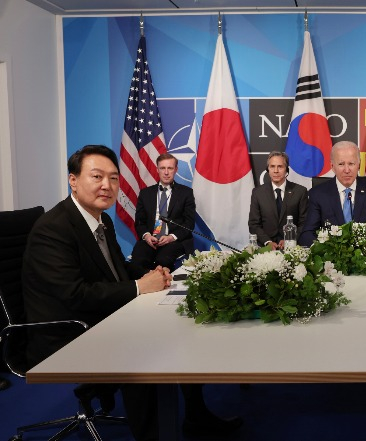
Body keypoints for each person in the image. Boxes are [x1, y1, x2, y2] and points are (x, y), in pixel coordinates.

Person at [22, 145, 241, 441]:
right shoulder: (53, 229)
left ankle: (195, 417)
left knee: (182, 329)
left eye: (113, 179)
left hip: (99, 316)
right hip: (67, 332)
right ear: (73, 180)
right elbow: (75, 295)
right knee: (147, 353)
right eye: (97, 176)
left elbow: (114, 273)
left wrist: (151, 276)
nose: (107, 186)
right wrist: (140, 287)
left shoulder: (103, 220)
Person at [131, 153, 196, 270]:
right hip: (150, 239)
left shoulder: (186, 193)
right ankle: (144, 287)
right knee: (138, 260)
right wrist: (146, 236)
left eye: (170, 168)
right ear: (157, 169)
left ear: (176, 169)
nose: (166, 172)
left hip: (174, 241)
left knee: (163, 261)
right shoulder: (145, 193)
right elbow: (140, 222)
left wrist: (171, 237)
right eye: (162, 168)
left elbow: (189, 223)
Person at [248, 151, 308, 250]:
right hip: (265, 248)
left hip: (292, 247)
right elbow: (254, 224)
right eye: (272, 166)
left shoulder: (300, 191)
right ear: (268, 169)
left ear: (286, 169)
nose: (276, 171)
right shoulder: (258, 193)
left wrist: (290, 239)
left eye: (280, 166)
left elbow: (304, 223)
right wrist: (268, 242)